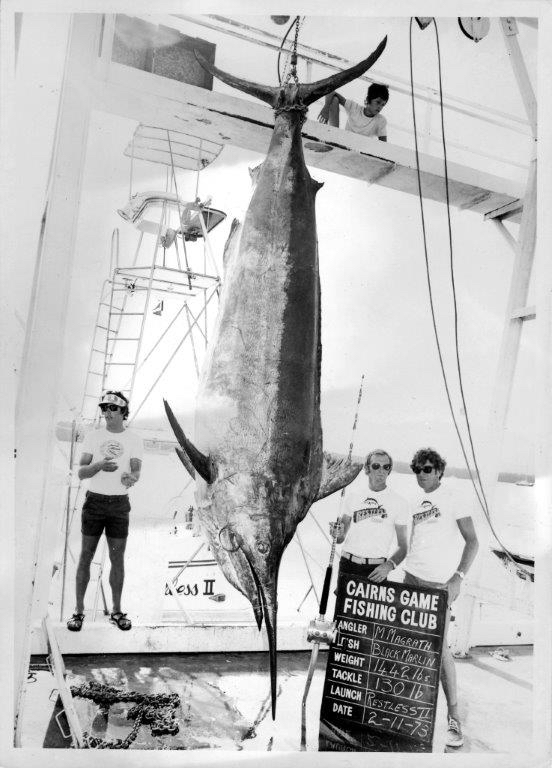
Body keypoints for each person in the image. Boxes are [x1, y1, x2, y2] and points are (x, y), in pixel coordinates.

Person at [402, 448, 479, 749]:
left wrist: (458, 578)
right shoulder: (413, 502)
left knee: (441, 648)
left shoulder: (453, 497)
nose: (423, 473)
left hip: (439, 586)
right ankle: (411, 709)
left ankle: (454, 716)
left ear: (440, 471)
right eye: (418, 469)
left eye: (429, 468)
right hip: (411, 579)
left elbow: (472, 541)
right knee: (411, 643)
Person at [67, 391, 143, 632]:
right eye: (104, 408)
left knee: (117, 559)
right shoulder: (93, 436)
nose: (106, 412)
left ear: (123, 411)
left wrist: (131, 478)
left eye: (111, 408)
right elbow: (81, 472)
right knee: (85, 556)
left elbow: (136, 472)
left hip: (119, 504)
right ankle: (78, 612)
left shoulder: (134, 439)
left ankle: (117, 611)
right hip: (95, 503)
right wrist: (99, 465)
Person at [330, 449, 408, 584]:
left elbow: (403, 546)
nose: (381, 470)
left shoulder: (399, 503)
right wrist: (336, 533)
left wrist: (389, 566)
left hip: (376, 569)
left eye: (386, 467)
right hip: (347, 565)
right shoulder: (353, 497)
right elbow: (340, 539)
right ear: (367, 469)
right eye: (376, 466)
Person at [317, 82, 389, 141]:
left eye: (383, 104)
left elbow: (383, 145)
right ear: (368, 99)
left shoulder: (380, 120)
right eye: (378, 102)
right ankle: (334, 135)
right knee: (334, 99)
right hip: (344, 142)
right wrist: (326, 108)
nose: (380, 107)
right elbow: (331, 92)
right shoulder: (355, 108)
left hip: (361, 151)